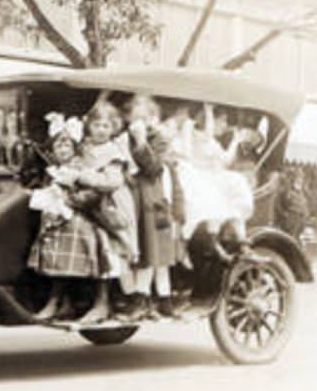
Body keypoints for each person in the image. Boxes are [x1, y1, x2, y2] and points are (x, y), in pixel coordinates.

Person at [27, 114, 99, 320]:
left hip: (75, 214)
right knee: (49, 237)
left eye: (67, 145)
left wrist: (69, 200)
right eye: (58, 146)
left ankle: (55, 300)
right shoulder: (52, 169)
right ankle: (63, 301)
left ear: (75, 148)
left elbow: (90, 194)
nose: (62, 149)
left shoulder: (79, 168)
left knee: (70, 234)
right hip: (54, 215)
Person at [75, 99, 140, 324]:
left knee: (109, 244)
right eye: (97, 125)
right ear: (89, 126)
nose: (101, 130)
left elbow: (112, 181)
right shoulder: (85, 148)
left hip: (112, 205)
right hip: (91, 202)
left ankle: (107, 301)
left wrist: (85, 177)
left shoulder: (113, 151)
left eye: (106, 126)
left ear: (113, 128)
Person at [122, 94, 186, 319]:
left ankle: (146, 299)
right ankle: (155, 298)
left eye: (144, 116)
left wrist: (140, 142)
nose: (138, 121)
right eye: (134, 116)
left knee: (152, 250)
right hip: (131, 196)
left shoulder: (158, 140)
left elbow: (153, 168)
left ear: (152, 119)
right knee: (142, 250)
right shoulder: (123, 139)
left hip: (152, 199)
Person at [167, 102, 256, 262]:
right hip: (197, 178)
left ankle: (240, 241)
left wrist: (235, 141)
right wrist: (209, 111)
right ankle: (201, 244)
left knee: (234, 190)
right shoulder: (194, 133)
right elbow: (206, 137)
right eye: (222, 121)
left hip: (210, 180)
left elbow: (226, 159)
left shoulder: (213, 142)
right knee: (212, 201)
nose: (225, 125)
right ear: (211, 120)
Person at [275, 167, 309, 242]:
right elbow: (278, 204)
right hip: (292, 219)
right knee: (290, 239)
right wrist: (285, 214)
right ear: (294, 178)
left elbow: (304, 204)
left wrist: (306, 215)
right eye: (299, 177)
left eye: (302, 177)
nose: (300, 180)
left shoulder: (303, 191)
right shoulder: (287, 190)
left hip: (301, 219)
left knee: (297, 238)